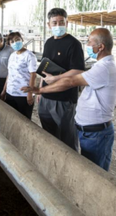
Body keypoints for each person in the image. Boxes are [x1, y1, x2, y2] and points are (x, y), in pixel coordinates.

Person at [22, 28, 116, 171]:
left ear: (101, 46)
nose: (87, 44)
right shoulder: (101, 66)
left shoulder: (104, 68)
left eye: (90, 42)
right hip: (90, 132)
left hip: (96, 134)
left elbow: (70, 82)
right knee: (88, 169)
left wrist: (40, 90)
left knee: (96, 173)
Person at [38, 8, 85, 151]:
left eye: (61, 22)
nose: (58, 26)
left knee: (67, 137)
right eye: (54, 23)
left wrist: (56, 78)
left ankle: (71, 166)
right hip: (46, 97)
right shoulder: (48, 43)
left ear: (67, 22)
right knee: (48, 133)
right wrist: (40, 90)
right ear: (48, 25)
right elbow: (43, 68)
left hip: (64, 99)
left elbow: (78, 70)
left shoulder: (74, 44)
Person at [1, 32, 37, 119]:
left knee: (24, 120)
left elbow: (33, 75)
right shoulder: (12, 56)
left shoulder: (29, 56)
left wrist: (30, 93)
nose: (15, 43)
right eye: (12, 41)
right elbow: (10, 74)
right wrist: (4, 90)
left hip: (23, 94)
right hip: (10, 92)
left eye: (17, 40)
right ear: (9, 44)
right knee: (11, 118)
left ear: (22, 39)